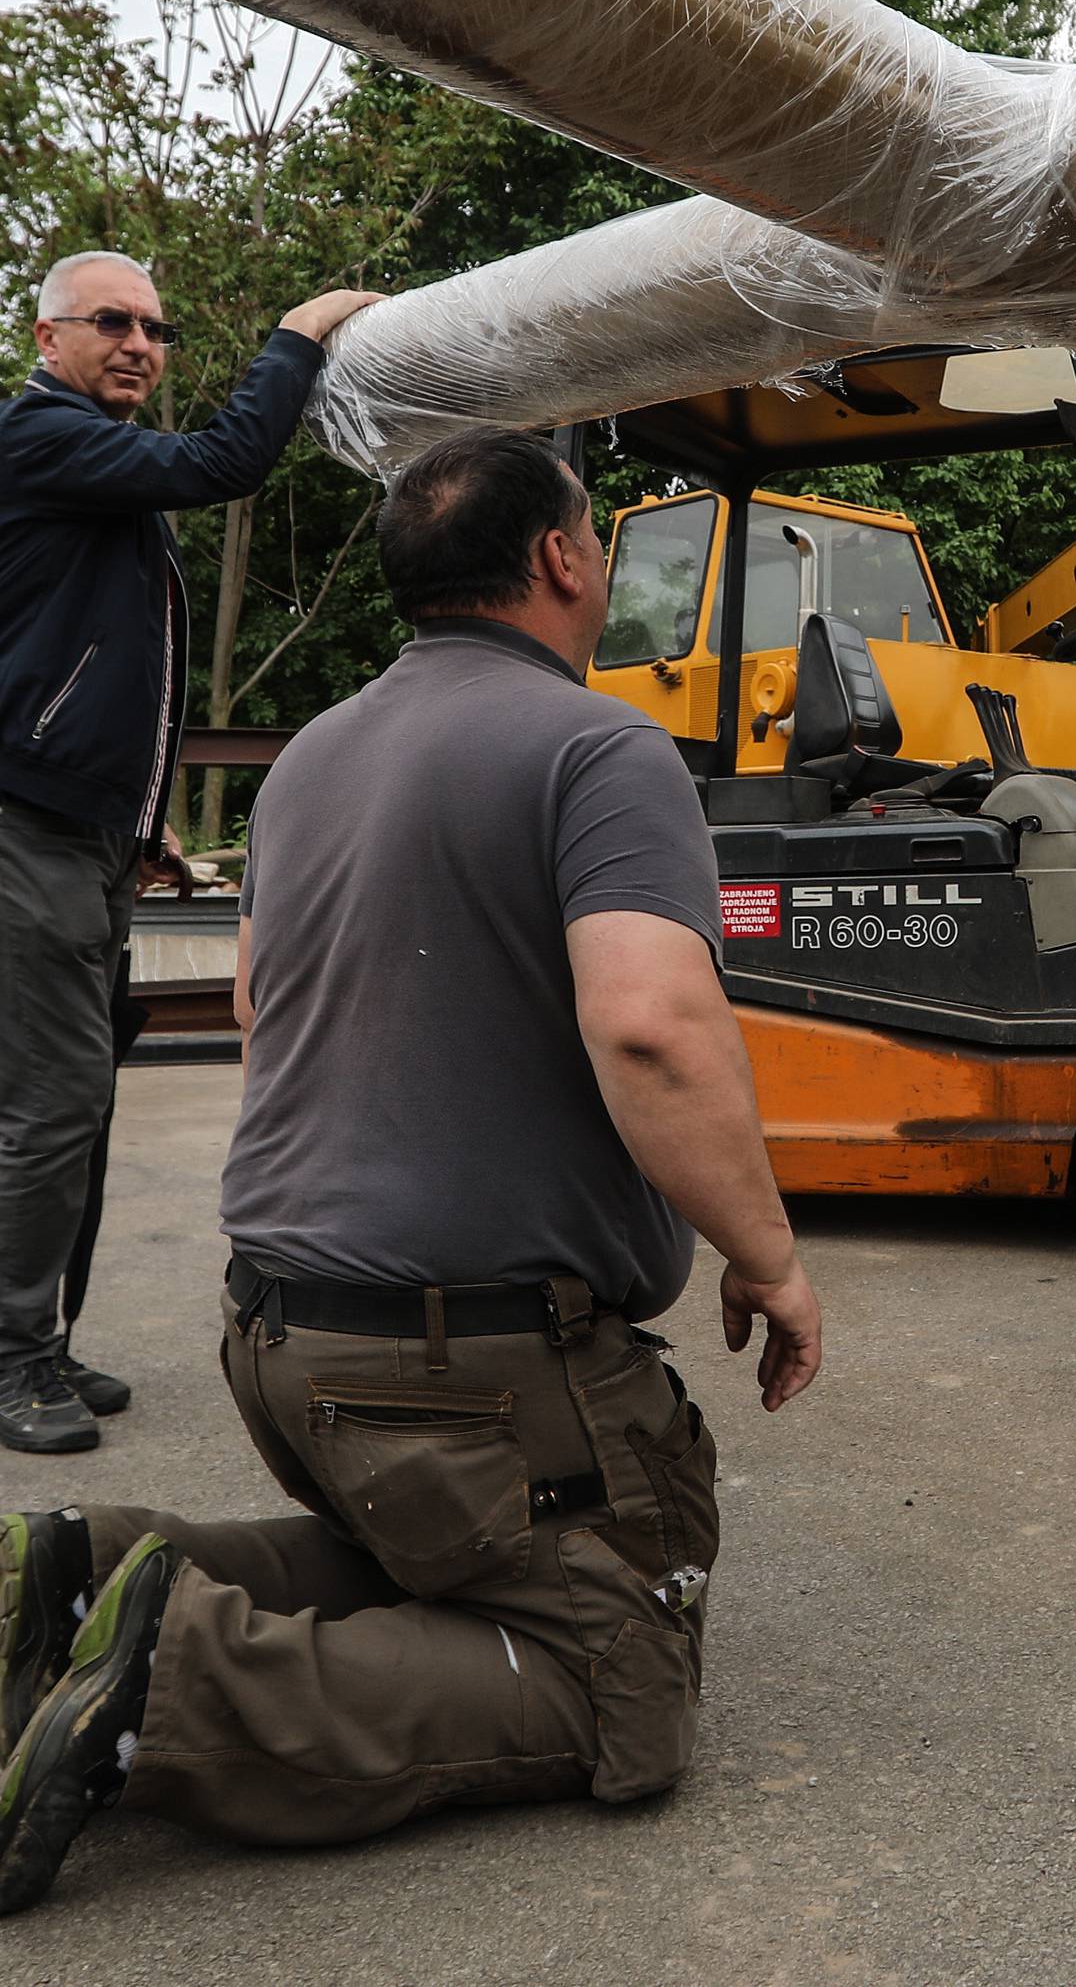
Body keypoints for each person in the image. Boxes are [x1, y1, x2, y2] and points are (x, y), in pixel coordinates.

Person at [0, 424, 821, 1914]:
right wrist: (769, 1257)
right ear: (562, 557)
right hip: (457, 1368)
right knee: (613, 1673)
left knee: (429, 1552)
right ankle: (162, 1692)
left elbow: (265, 1004)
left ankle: (79, 1568)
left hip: (280, 1340)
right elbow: (651, 1026)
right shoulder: (600, 744)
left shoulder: (312, 752)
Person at [0, 250, 380, 1457]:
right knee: (52, 1104)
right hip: (26, 830)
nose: (140, 343)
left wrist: (141, 811)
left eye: (156, 328)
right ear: (47, 335)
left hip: (83, 827)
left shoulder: (91, 472)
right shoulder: (41, 434)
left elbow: (88, 660)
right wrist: (304, 327)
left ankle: (37, 1340)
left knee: (72, 1098)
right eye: (111, 321)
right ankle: (13, 1357)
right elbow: (224, 461)